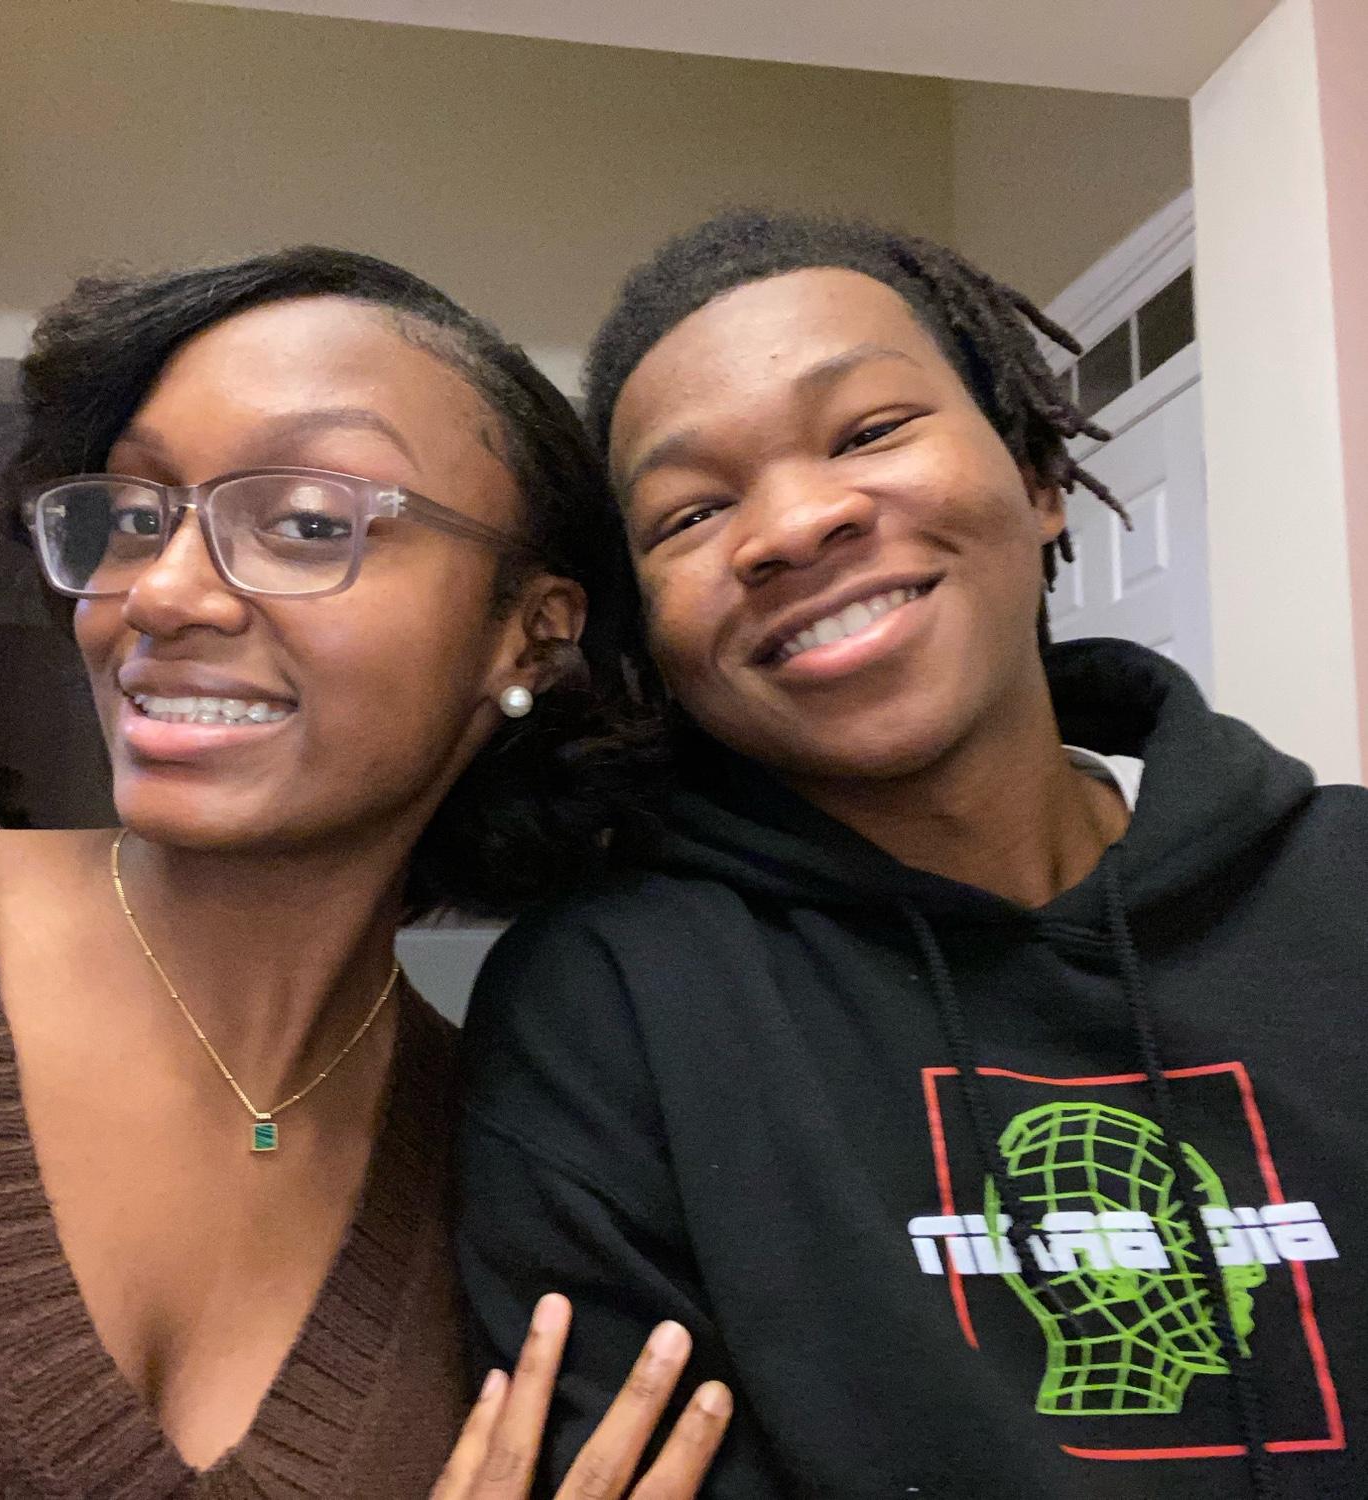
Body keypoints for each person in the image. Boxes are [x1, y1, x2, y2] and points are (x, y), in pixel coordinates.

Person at [456, 210, 1367, 1499]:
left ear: (1038, 478)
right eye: (692, 510)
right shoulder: (607, 1008)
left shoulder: (1345, 889)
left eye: (869, 431)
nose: (794, 524)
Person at [0, 245, 732, 1498]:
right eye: (136, 516)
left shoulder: (520, 1155)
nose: (162, 594)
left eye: (309, 523)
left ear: (529, 632)